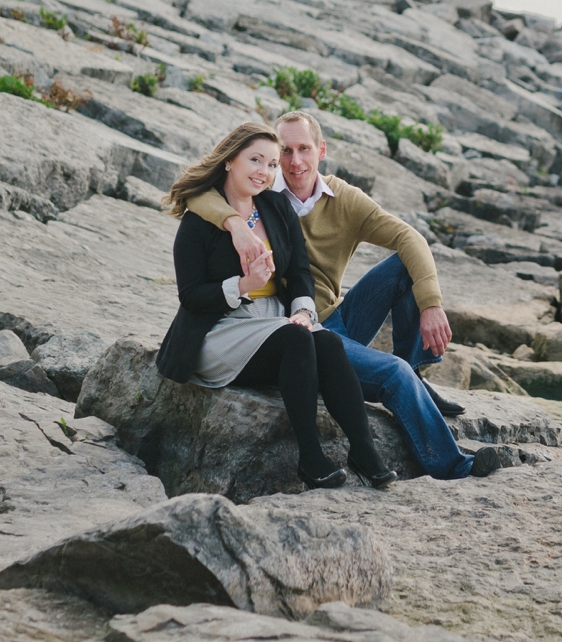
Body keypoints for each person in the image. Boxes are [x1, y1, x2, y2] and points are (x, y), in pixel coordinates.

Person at [187, 109, 494, 480]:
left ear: (322, 150)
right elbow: (200, 196)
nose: (294, 161)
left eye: (304, 149)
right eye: (284, 151)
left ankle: (414, 371)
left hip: (340, 316)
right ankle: (452, 465)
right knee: (392, 374)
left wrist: (431, 304)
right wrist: (234, 223)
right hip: (295, 332)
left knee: (404, 266)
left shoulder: (343, 198)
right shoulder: (263, 192)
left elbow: (409, 236)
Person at [156, 120, 395, 490]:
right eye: (256, 160)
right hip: (219, 329)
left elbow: (299, 269)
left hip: (274, 322)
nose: (265, 172)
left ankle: (364, 453)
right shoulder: (198, 222)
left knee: (326, 342)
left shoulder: (276, 206)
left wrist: (302, 310)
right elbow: (190, 296)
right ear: (230, 161)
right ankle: (311, 459)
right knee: (296, 340)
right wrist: (243, 285)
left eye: (271, 164)